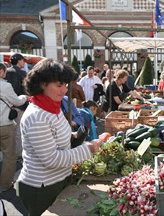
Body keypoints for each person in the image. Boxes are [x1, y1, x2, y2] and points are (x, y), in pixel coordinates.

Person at [16, 58, 105, 216]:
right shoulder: (37, 116)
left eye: (65, 84)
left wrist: (72, 135)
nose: (64, 90)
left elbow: (54, 135)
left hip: (57, 180)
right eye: (59, 85)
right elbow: (51, 160)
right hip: (41, 187)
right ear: (42, 84)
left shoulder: (52, 107)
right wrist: (88, 149)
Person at [0, 62, 27, 192]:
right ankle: (5, 185)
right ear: (1, 72)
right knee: (9, 156)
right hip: (4, 125)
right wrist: (24, 97)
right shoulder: (5, 86)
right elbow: (17, 101)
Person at [4, 53, 28, 158]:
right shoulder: (22, 74)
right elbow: (27, 90)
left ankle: (9, 153)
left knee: (10, 132)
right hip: (20, 105)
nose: (24, 62)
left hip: (7, 106)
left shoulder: (6, 73)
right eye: (23, 60)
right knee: (19, 132)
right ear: (19, 61)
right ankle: (18, 155)